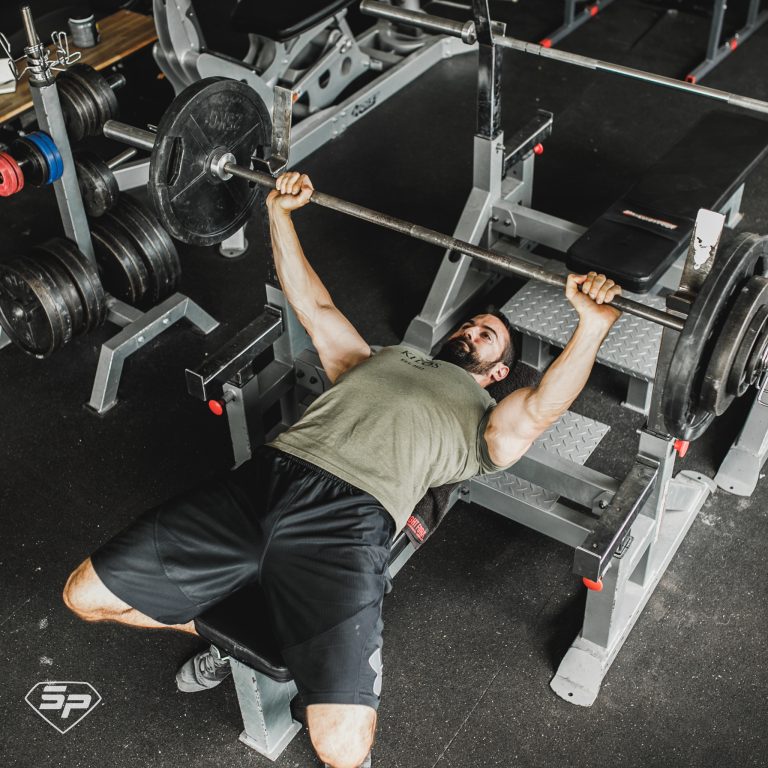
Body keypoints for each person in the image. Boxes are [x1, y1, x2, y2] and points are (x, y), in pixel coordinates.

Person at [62, 172, 622, 768]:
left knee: (343, 748)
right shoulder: (379, 358)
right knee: (83, 597)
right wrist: (279, 214)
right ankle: (254, 642)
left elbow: (544, 407)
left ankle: (280, 648)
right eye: (469, 325)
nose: (472, 331)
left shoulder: (486, 421)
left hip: (348, 523)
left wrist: (591, 327)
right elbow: (313, 303)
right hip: (264, 481)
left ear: (498, 373)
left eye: (488, 338)